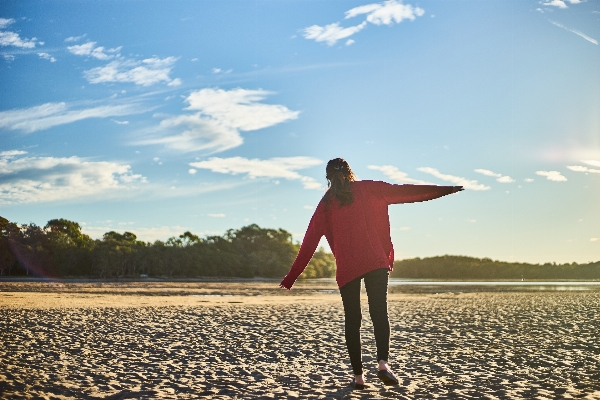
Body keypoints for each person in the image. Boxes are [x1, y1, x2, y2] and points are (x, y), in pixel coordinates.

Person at [280, 158, 463, 389]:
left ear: (328, 177)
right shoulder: (370, 188)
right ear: (350, 172)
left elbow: (309, 241)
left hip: (348, 266)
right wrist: (446, 190)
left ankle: (358, 377)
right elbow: (408, 192)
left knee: (352, 320)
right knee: (379, 312)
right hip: (375, 261)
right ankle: (383, 364)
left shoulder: (326, 203)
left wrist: (291, 277)